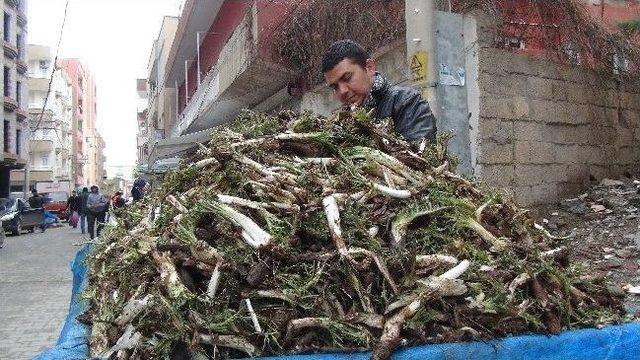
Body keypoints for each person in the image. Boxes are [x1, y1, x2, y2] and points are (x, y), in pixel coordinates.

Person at [322, 39, 437, 142]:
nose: (342, 91)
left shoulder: (407, 102)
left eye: (347, 78)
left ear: (369, 67)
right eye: (335, 87)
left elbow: (418, 159)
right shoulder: (341, 123)